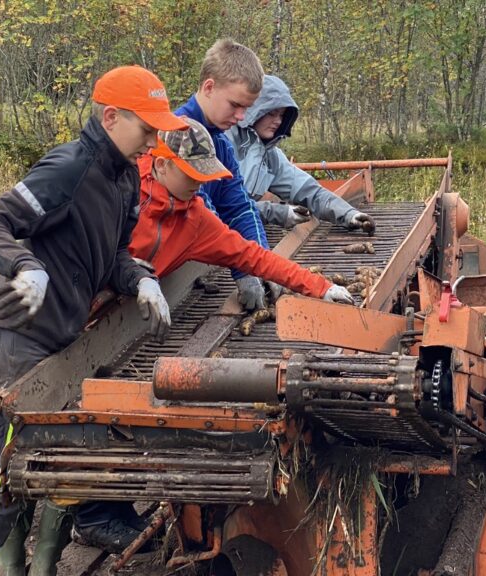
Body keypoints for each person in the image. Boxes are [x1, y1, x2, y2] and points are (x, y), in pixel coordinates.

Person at [0, 65, 186, 576]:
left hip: (62, 343)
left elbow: (111, 254)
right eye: (147, 127)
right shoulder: (68, 168)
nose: (154, 140)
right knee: (0, 470)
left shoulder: (123, 185)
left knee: (37, 468)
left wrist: (138, 278)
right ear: (111, 117)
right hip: (18, 338)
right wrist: (24, 265)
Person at [71, 117, 354, 553]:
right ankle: (79, 517)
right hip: (72, 309)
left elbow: (252, 255)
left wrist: (320, 287)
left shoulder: (196, 217)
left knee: (114, 399)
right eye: (193, 174)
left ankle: (100, 510)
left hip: (122, 317)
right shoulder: (121, 188)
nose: (200, 184)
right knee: (66, 409)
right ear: (161, 163)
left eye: (206, 175)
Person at [175, 38, 277, 312]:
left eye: (247, 108)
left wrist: (263, 263)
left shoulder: (220, 142)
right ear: (209, 87)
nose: (241, 117)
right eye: (235, 105)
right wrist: (245, 269)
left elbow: (239, 208)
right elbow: (204, 218)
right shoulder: (178, 138)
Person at [226, 74, 376, 233]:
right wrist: (277, 212)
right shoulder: (226, 141)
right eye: (271, 113)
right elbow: (223, 205)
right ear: (253, 110)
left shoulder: (270, 157)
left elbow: (311, 192)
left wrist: (349, 214)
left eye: (282, 115)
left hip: (240, 230)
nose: (278, 121)